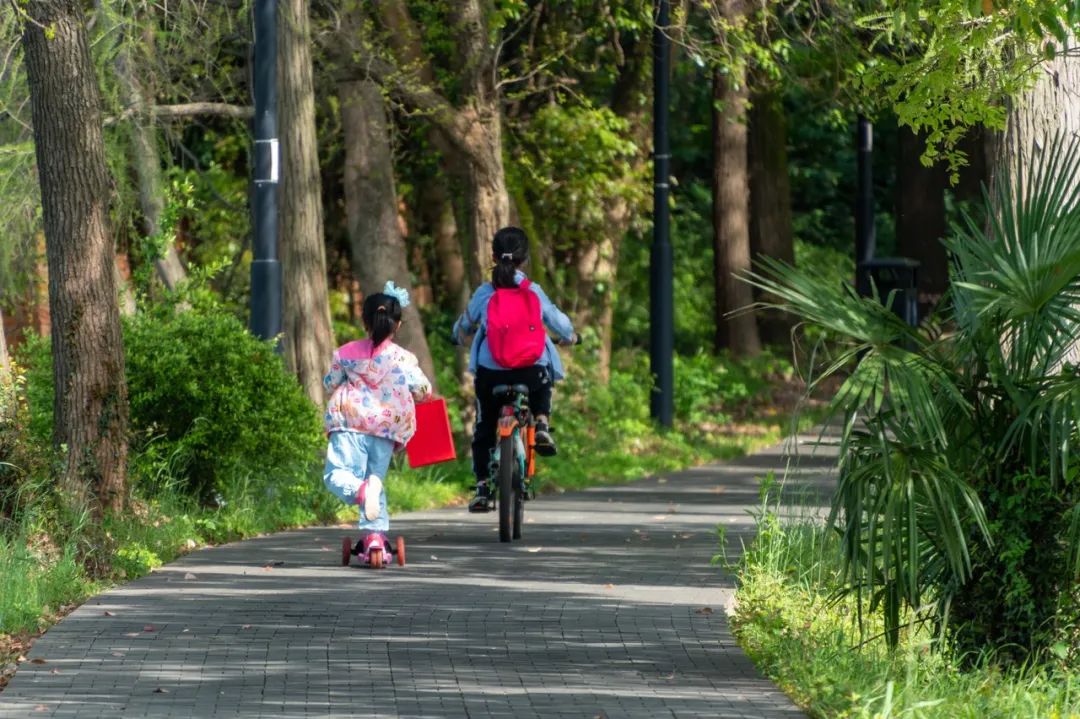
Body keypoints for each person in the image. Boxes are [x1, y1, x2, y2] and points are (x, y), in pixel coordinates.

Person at [453, 227, 576, 513]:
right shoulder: (532, 290)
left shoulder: (485, 292)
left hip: (491, 372)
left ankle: (482, 487)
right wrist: (570, 337)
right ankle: (542, 422)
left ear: (493, 257)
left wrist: (457, 336)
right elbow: (560, 324)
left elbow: (464, 325)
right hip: (530, 371)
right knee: (542, 379)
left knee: (485, 427)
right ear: (525, 259)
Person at [322, 281, 433, 540]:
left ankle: (361, 491)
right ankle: (375, 538)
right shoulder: (404, 359)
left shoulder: (346, 353)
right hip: (385, 429)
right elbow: (423, 390)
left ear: (365, 321)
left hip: (349, 425)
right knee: (375, 480)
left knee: (337, 475)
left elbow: (330, 383)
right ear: (398, 325)